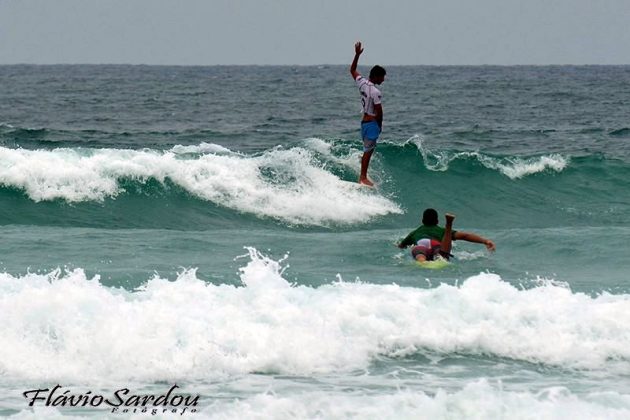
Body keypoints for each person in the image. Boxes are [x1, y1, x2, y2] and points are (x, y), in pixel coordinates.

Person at [398, 209, 496, 262]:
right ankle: (449, 224)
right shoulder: (441, 230)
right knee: (442, 256)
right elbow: (465, 236)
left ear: (422, 221)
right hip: (436, 244)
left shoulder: (415, 232)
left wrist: (399, 244)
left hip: (421, 244)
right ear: (437, 221)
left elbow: (401, 246)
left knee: (419, 252)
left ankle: (421, 261)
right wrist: (485, 241)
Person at [350, 41, 386, 187]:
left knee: (368, 148)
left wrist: (357, 55)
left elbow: (352, 70)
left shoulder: (362, 83)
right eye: (382, 77)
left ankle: (363, 161)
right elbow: (379, 112)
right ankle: (363, 177)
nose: (383, 80)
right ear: (376, 76)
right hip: (371, 124)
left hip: (363, 122)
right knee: (369, 150)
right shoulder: (376, 92)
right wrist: (380, 125)